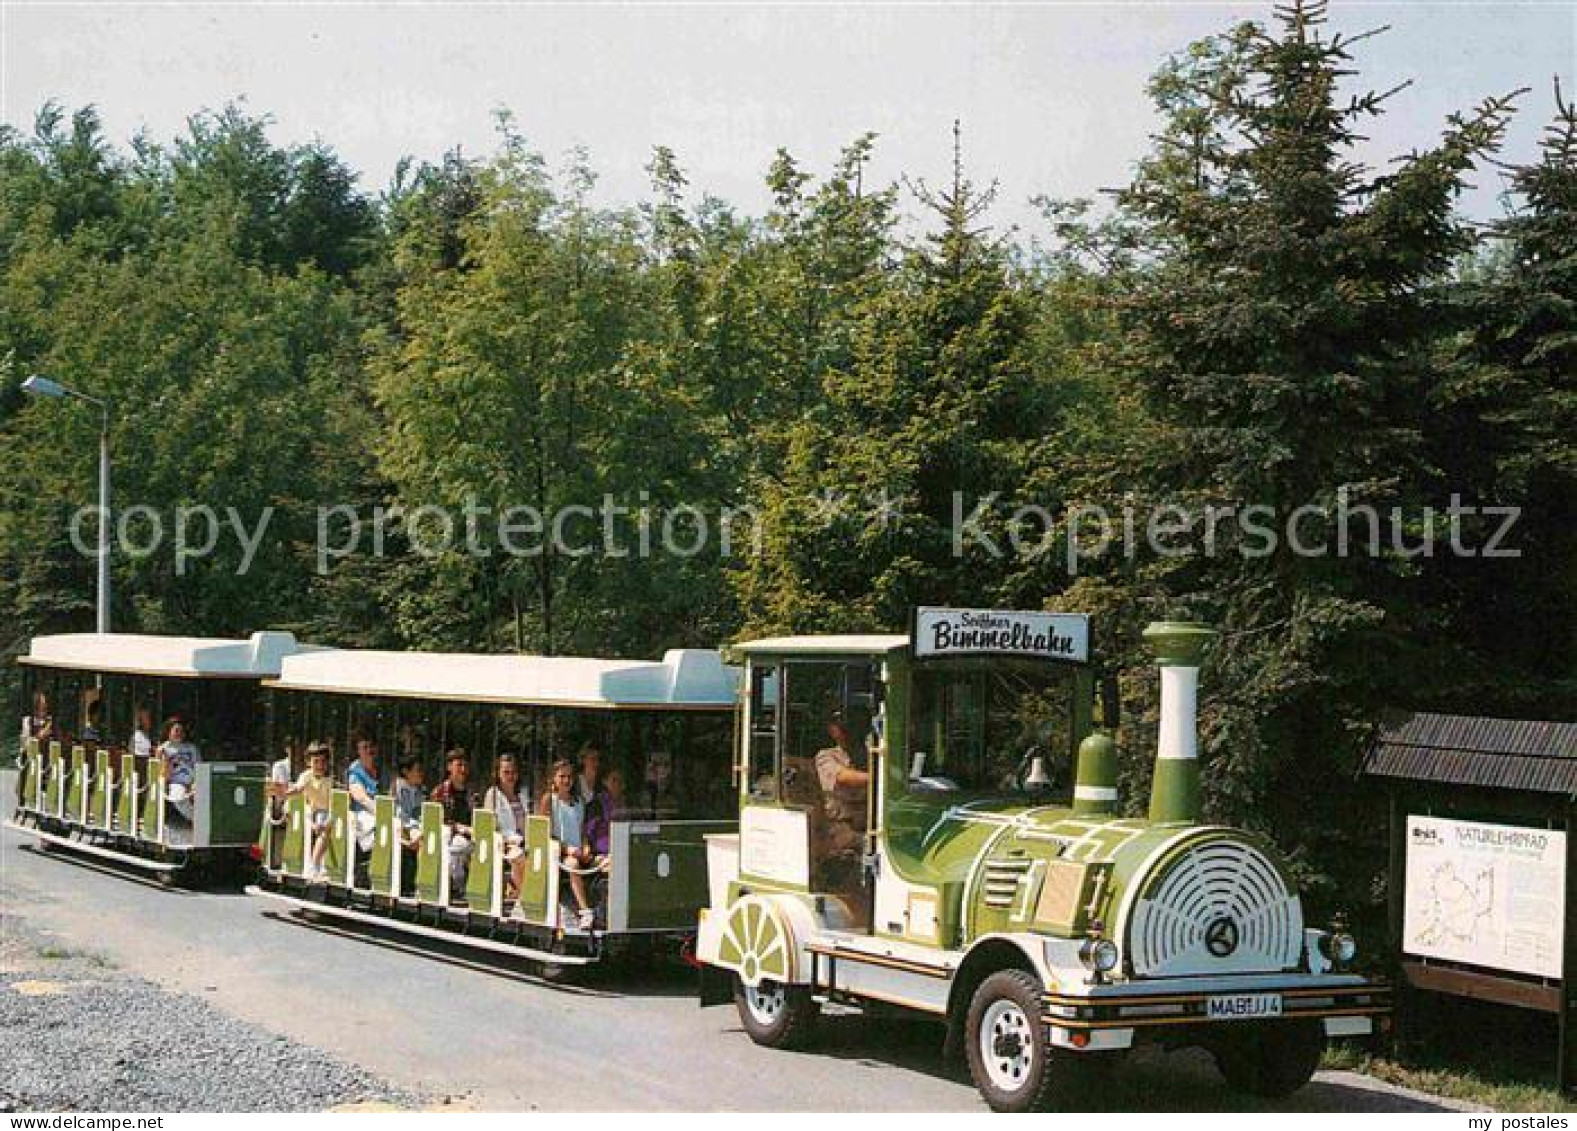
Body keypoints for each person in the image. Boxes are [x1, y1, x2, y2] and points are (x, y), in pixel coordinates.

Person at [538, 758, 599, 929]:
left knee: (608, 861)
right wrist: (568, 849)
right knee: (572, 863)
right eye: (562, 776)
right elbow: (545, 834)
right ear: (553, 779)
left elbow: (582, 832)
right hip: (559, 854)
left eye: (570, 777)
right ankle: (585, 912)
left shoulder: (579, 801)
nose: (566, 781)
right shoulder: (549, 800)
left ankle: (605, 908)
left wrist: (586, 847)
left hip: (579, 852)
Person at [814, 709, 870, 875]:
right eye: (839, 726)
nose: (847, 730)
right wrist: (879, 777)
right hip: (841, 828)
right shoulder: (826, 756)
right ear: (832, 730)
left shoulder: (871, 754)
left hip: (869, 823)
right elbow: (843, 777)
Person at [483, 753, 530, 898]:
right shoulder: (493, 795)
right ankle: (521, 897)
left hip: (525, 841)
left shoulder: (523, 793)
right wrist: (506, 840)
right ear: (498, 774)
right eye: (506, 772)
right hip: (504, 843)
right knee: (519, 855)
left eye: (513, 772)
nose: (510, 776)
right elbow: (489, 826)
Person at [430, 748, 477, 894]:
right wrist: (460, 828)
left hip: (473, 836)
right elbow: (439, 821)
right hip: (449, 838)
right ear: (449, 767)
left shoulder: (473, 792)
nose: (463, 769)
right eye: (459, 765)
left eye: (465, 766)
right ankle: (456, 886)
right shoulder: (440, 792)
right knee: (458, 845)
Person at [288, 742, 334, 878]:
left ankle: (326, 865)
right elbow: (298, 788)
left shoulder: (331, 778)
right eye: (316, 762)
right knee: (323, 828)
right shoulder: (306, 776)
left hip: (333, 811)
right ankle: (314, 865)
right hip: (316, 812)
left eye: (323, 762)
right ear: (309, 762)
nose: (320, 765)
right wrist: (285, 792)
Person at [160, 719, 200, 829]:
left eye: (181, 731)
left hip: (194, 780)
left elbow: (199, 767)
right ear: (169, 732)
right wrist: (168, 762)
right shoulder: (164, 749)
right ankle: (197, 820)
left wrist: (194, 783)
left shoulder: (192, 748)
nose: (179, 733)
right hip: (176, 782)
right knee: (178, 796)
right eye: (176, 730)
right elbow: (163, 774)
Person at [346, 734, 381, 859]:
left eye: (371, 746)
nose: (369, 750)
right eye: (364, 747)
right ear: (358, 751)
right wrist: (380, 812)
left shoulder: (382, 768)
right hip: (361, 813)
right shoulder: (355, 771)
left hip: (384, 810)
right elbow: (360, 797)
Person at [584, 766, 628, 858]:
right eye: (614, 780)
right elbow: (589, 834)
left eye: (620, 781)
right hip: (602, 853)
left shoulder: (627, 803)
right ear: (605, 782)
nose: (618, 784)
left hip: (625, 849)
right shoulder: (597, 804)